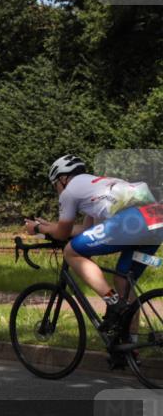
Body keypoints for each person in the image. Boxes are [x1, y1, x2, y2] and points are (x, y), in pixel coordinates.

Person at [25, 155, 162, 362]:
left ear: (63, 178)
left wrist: (36, 228)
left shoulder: (70, 191)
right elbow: (86, 230)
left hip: (132, 220)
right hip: (155, 220)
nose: (57, 189)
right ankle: (130, 347)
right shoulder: (98, 186)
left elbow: (63, 234)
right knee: (124, 280)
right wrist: (47, 227)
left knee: (71, 251)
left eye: (55, 184)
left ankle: (112, 301)